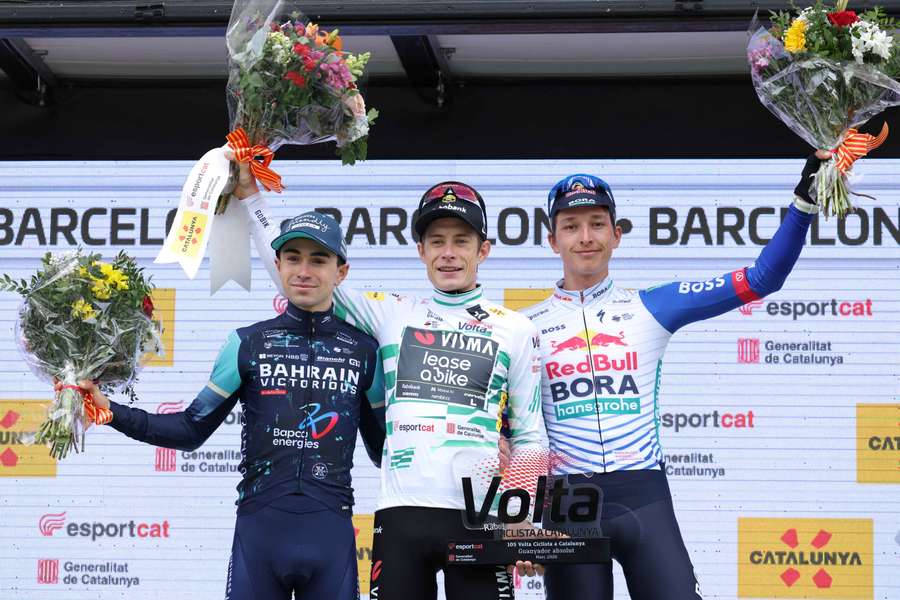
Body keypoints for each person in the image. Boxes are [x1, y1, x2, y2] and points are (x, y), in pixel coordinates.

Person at [519, 153, 831, 600]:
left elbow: (763, 278)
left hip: (643, 492)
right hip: (567, 503)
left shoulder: (652, 306)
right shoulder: (521, 327)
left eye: (596, 223)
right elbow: (503, 433)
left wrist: (804, 204)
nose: (585, 237)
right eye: (570, 226)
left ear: (617, 234)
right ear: (552, 240)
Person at [238, 172, 545, 600]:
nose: (449, 253)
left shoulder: (515, 328)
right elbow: (299, 277)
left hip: (482, 518)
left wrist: (520, 512)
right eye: (437, 241)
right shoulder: (392, 314)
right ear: (420, 250)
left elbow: (531, 434)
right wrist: (251, 197)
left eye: (461, 240)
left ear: (484, 250)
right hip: (401, 516)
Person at [67, 211, 386, 600]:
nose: (304, 270)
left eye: (318, 260)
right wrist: (111, 411)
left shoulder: (364, 352)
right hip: (259, 531)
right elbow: (190, 430)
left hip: (331, 533)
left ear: (341, 272)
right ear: (279, 265)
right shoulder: (248, 343)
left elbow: (384, 452)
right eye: (293, 257)